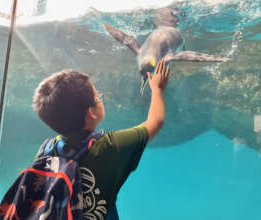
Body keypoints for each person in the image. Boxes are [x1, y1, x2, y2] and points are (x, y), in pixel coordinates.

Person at [32, 59, 170, 219]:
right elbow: (156, 121)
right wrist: (157, 89)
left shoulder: (46, 150)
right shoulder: (111, 147)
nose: (100, 99)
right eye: (98, 97)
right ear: (91, 112)